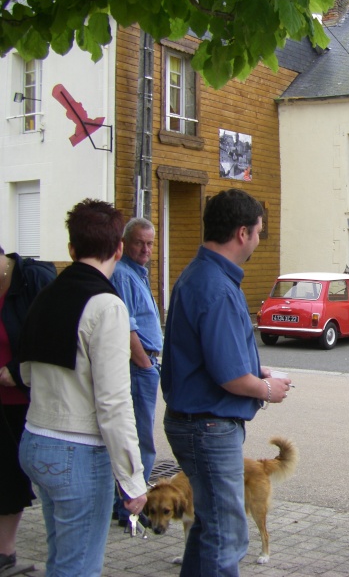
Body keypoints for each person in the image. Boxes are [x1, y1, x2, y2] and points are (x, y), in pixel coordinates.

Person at [161, 188, 292, 576]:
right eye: (258, 232)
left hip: (199, 423)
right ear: (241, 233)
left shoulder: (203, 275)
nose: (257, 239)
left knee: (208, 527)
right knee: (227, 535)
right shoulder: (216, 286)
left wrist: (258, 370)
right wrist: (267, 389)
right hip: (208, 426)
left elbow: (214, 356)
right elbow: (231, 377)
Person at [17, 199, 148, 577]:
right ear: (119, 248)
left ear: (71, 249)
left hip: (35, 440)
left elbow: (26, 372)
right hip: (77, 451)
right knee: (78, 569)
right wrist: (132, 479)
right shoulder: (107, 306)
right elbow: (114, 402)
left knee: (62, 560)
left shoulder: (47, 295)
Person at [0, 245, 56, 573]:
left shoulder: (34, 278)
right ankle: (5, 553)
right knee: (4, 475)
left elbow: (54, 337)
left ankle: (10, 553)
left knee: (24, 476)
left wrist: (19, 369)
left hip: (29, 402)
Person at [110, 218, 163, 527]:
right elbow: (125, 325)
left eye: (150, 243)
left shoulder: (137, 274)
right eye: (139, 243)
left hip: (146, 364)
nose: (145, 249)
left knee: (141, 437)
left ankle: (127, 505)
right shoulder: (122, 275)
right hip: (137, 367)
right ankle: (130, 508)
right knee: (140, 440)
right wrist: (143, 361)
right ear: (125, 243)